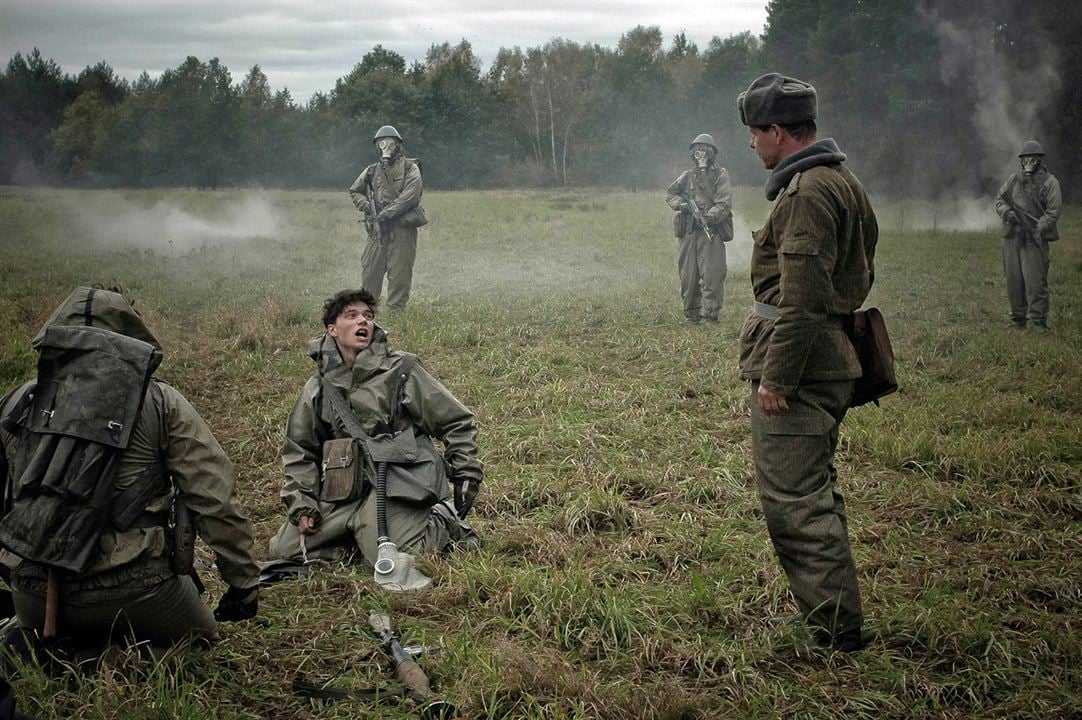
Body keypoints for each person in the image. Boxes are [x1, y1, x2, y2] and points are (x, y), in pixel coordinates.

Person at [0, 287, 260, 651]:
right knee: (198, 646)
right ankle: (107, 660)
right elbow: (213, 498)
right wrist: (242, 581)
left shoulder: (18, 401)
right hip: (133, 588)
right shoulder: (160, 400)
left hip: (32, 590)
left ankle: (44, 644)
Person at [736, 73, 878, 651]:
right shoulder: (842, 181)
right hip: (830, 357)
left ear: (777, 132)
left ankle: (834, 632)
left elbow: (803, 299)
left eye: (754, 133)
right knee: (815, 491)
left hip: (805, 366)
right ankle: (834, 615)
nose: (751, 145)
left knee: (795, 500)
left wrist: (778, 376)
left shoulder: (809, 192)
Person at [268, 288, 481, 573]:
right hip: (345, 488)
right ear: (332, 329)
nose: (363, 322)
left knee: (394, 562)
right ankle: (358, 533)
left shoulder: (402, 369)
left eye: (368, 316)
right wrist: (303, 503)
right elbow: (300, 449)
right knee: (285, 550)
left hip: (398, 483)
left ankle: (444, 520)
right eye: (351, 316)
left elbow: (455, 420)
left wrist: (466, 471)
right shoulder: (318, 388)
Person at [349, 125, 428, 312]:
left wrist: (386, 213)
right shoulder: (371, 170)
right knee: (370, 272)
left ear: (398, 145)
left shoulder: (411, 168)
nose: (386, 147)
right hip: (377, 231)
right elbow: (355, 191)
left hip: (402, 229)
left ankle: (396, 312)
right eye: (382, 143)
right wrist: (366, 206)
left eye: (391, 143)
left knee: (400, 274)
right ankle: (368, 311)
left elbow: (410, 197)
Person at [665, 133, 734, 324]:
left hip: (711, 232)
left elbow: (723, 203)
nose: (701, 153)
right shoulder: (687, 176)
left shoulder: (720, 175)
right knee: (688, 275)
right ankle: (691, 315)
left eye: (705, 149)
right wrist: (682, 206)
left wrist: (708, 217)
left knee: (712, 275)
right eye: (697, 150)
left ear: (712, 153)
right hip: (688, 233)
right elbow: (671, 194)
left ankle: (711, 316)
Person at [993, 141, 1061, 333]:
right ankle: (1018, 320)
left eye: (1032, 159)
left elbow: (1053, 212)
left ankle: (1038, 322)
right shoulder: (1013, 180)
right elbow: (999, 199)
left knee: (1035, 280)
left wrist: (1038, 227)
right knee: (1013, 279)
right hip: (1012, 236)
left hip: (1034, 238)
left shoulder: (1050, 183)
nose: (1028, 163)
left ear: (1040, 160)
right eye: (1025, 159)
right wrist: (1008, 213)